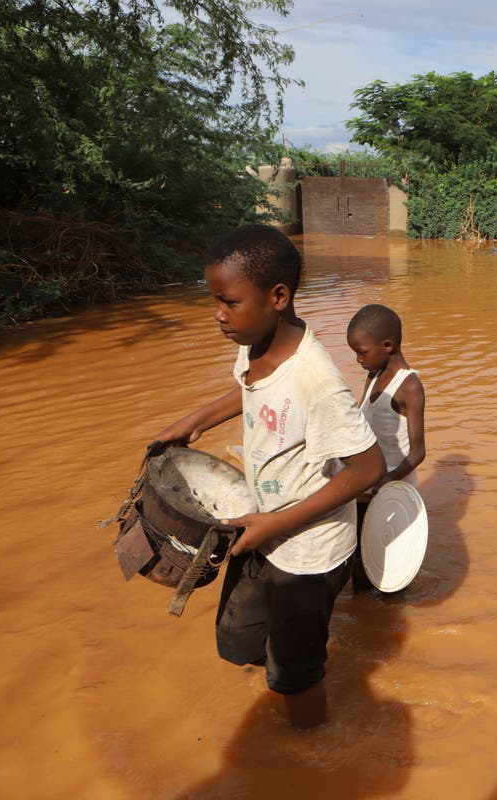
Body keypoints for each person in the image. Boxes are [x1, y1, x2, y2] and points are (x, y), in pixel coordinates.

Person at [150, 224, 386, 729]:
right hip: (261, 525)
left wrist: (275, 525)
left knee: (296, 672)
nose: (218, 314)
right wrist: (192, 421)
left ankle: (309, 751)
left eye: (228, 302)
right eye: (214, 300)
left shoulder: (317, 380)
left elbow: (369, 468)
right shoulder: (254, 342)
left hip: (308, 549)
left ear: (278, 296)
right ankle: (280, 672)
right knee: (238, 642)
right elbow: (249, 388)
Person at [345, 303, 426, 590]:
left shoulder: (410, 387)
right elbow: (358, 421)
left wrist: (387, 479)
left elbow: (418, 452)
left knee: (391, 572)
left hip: (391, 492)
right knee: (361, 566)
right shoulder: (373, 375)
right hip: (365, 488)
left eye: (362, 352)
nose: (358, 360)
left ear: (387, 345)